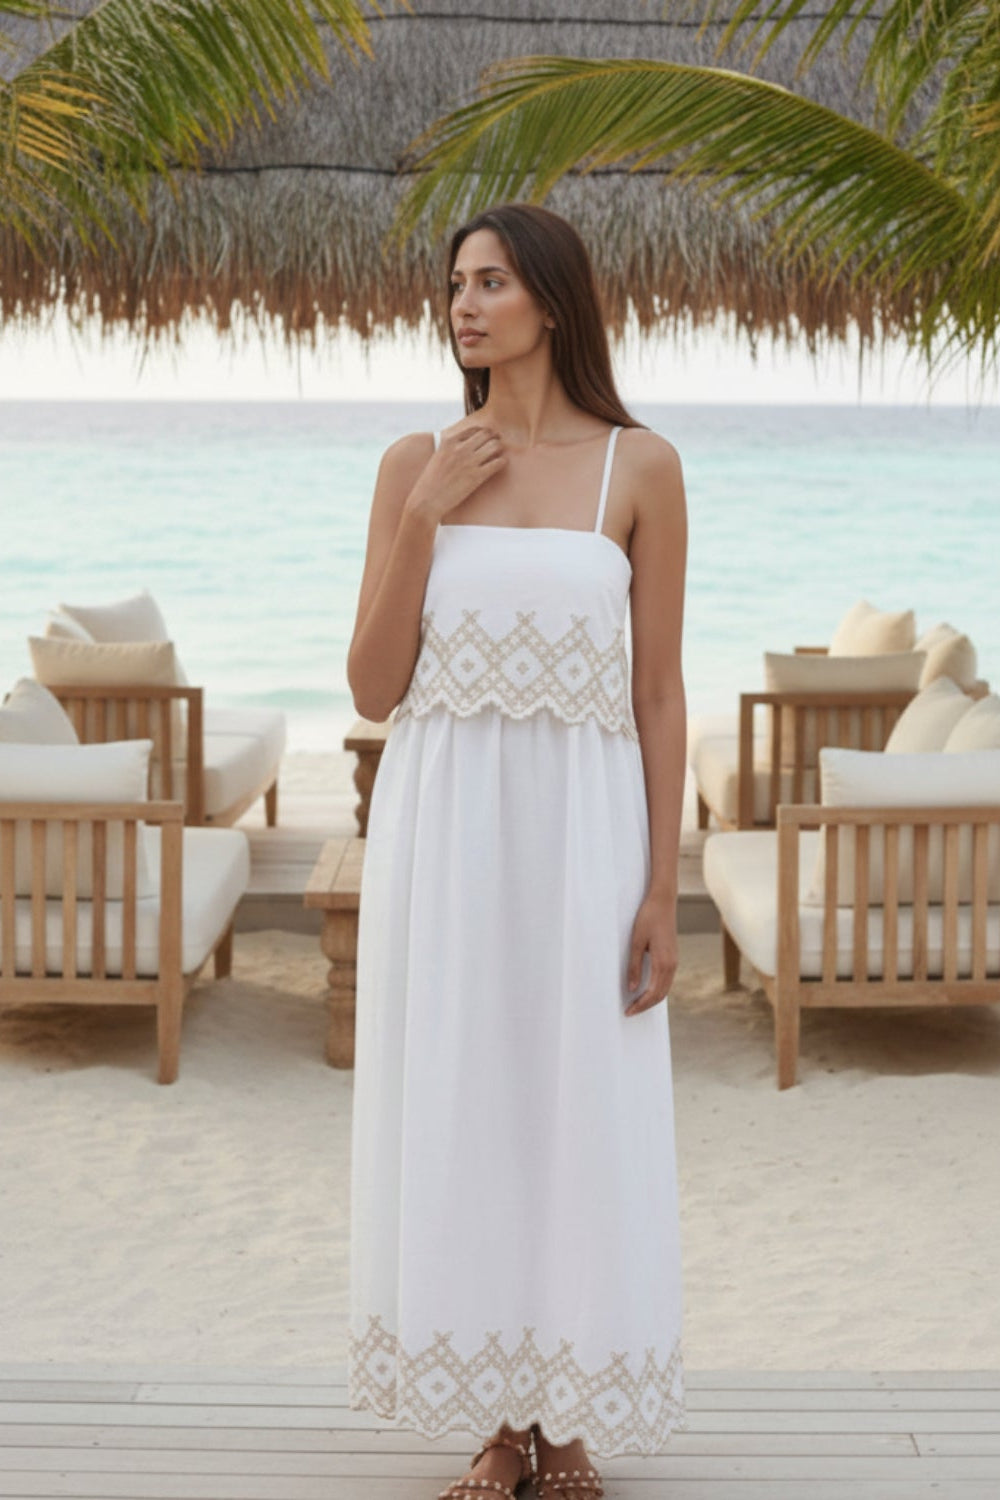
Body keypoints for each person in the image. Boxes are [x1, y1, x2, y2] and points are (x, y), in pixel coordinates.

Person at [346, 201, 688, 1500]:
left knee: (577, 1109)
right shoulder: (413, 461)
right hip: (446, 839)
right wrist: (427, 514)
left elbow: (658, 696)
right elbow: (376, 686)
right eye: (454, 285)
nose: (465, 304)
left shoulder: (640, 468)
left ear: (552, 299)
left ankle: (570, 1414)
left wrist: (664, 885)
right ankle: (496, 1421)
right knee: (469, 1105)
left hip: (589, 838)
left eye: (491, 282)